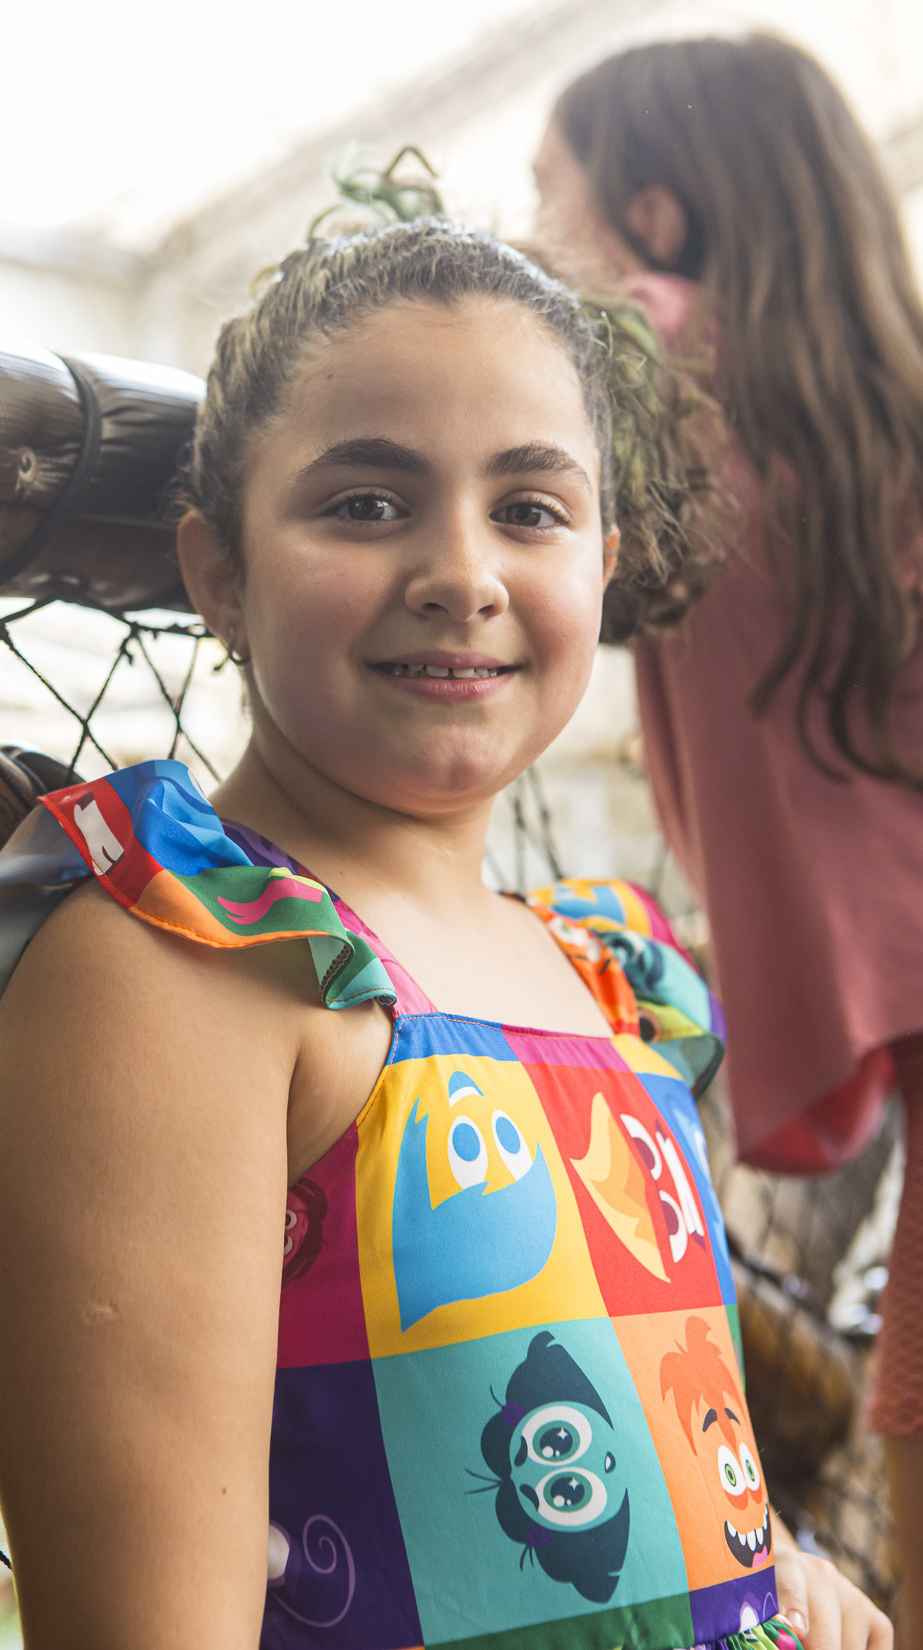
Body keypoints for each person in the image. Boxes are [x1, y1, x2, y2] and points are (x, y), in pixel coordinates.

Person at [0, 218, 890, 1650]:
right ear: (220, 573)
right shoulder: (181, 969)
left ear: (605, 564)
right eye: (369, 503)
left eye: (530, 508)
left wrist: (780, 1577)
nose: (462, 571)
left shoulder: (605, 979)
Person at [534, 28, 923, 1644]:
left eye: (548, 199)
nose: (534, 242)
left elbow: (463, 332)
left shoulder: (654, 350)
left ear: (657, 221)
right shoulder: (873, 417)